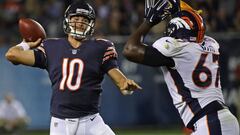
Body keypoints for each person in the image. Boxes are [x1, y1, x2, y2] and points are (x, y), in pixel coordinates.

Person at [5, 1, 141, 135]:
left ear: (91, 23)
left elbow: (116, 75)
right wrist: (26, 43)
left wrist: (124, 83)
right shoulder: (51, 47)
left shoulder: (101, 47)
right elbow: (12, 55)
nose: (80, 22)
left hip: (91, 122)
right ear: (67, 21)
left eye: (84, 19)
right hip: (60, 123)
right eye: (76, 18)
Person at [123, 0, 239, 134]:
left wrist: (149, 21)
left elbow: (129, 49)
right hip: (222, 119)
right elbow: (195, 21)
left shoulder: (177, 48)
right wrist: (177, 5)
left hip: (209, 122)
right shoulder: (211, 44)